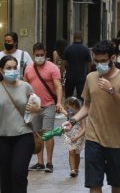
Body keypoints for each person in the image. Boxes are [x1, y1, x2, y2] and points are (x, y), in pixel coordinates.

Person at [62, 40, 120, 192]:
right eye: (96, 61)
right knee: (94, 184)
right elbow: (87, 105)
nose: (99, 64)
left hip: (116, 141)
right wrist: (73, 121)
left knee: (117, 185)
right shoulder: (91, 77)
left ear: (112, 58)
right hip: (93, 139)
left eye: (103, 61)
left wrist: (112, 91)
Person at [0, 55, 40, 193]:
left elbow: (36, 107)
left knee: (18, 173)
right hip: (2, 137)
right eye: (8, 68)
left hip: (23, 135)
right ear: (1, 70)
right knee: (4, 177)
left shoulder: (26, 87)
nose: (12, 70)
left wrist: (36, 109)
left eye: (14, 67)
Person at [26, 43, 63, 173]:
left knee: (47, 133)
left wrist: (59, 102)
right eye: (37, 55)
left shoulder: (52, 68)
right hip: (34, 107)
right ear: (33, 54)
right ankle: (40, 162)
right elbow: (26, 86)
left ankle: (49, 163)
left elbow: (58, 86)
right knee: (37, 134)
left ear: (45, 54)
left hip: (49, 105)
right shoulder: (29, 69)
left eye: (42, 55)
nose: (39, 57)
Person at [59, 96, 85, 177]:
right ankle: (72, 170)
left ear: (74, 107)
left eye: (68, 108)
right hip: (69, 136)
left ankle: (76, 168)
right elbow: (68, 115)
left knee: (77, 153)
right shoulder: (71, 113)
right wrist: (63, 111)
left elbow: (84, 128)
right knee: (71, 152)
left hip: (78, 136)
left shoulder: (81, 116)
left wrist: (77, 137)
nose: (67, 110)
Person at [62, 32, 92, 99]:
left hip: (70, 77)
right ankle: (80, 109)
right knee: (81, 98)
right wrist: (89, 74)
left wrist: (61, 76)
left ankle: (69, 109)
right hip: (81, 78)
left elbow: (63, 63)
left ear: (73, 38)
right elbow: (90, 64)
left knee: (68, 97)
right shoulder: (85, 49)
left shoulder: (68, 48)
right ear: (82, 38)